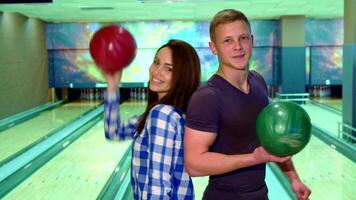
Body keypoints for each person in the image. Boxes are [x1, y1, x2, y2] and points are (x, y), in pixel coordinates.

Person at [184, 9, 311, 200]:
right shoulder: (207, 97)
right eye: (227, 41)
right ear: (213, 48)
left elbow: (271, 140)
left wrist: (293, 178)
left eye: (243, 38)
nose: (238, 46)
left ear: (252, 40)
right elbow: (194, 164)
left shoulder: (258, 82)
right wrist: (254, 158)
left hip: (260, 194)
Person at [103, 39, 201, 199]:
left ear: (182, 76)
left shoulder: (162, 115)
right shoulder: (170, 114)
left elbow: (158, 186)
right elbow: (114, 132)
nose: (157, 71)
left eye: (169, 69)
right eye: (156, 62)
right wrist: (113, 85)